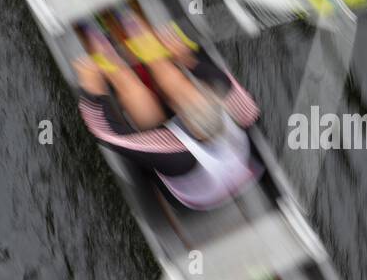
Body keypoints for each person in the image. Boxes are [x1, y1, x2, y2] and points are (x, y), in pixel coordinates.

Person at [74, 11, 259, 207]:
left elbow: (107, 134)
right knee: (172, 78)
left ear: (184, 123)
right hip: (229, 159)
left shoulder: (174, 152)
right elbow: (219, 76)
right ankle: (127, 21)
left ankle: (99, 45)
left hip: (193, 195)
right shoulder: (241, 110)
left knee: (134, 91)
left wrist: (92, 87)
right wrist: (186, 56)